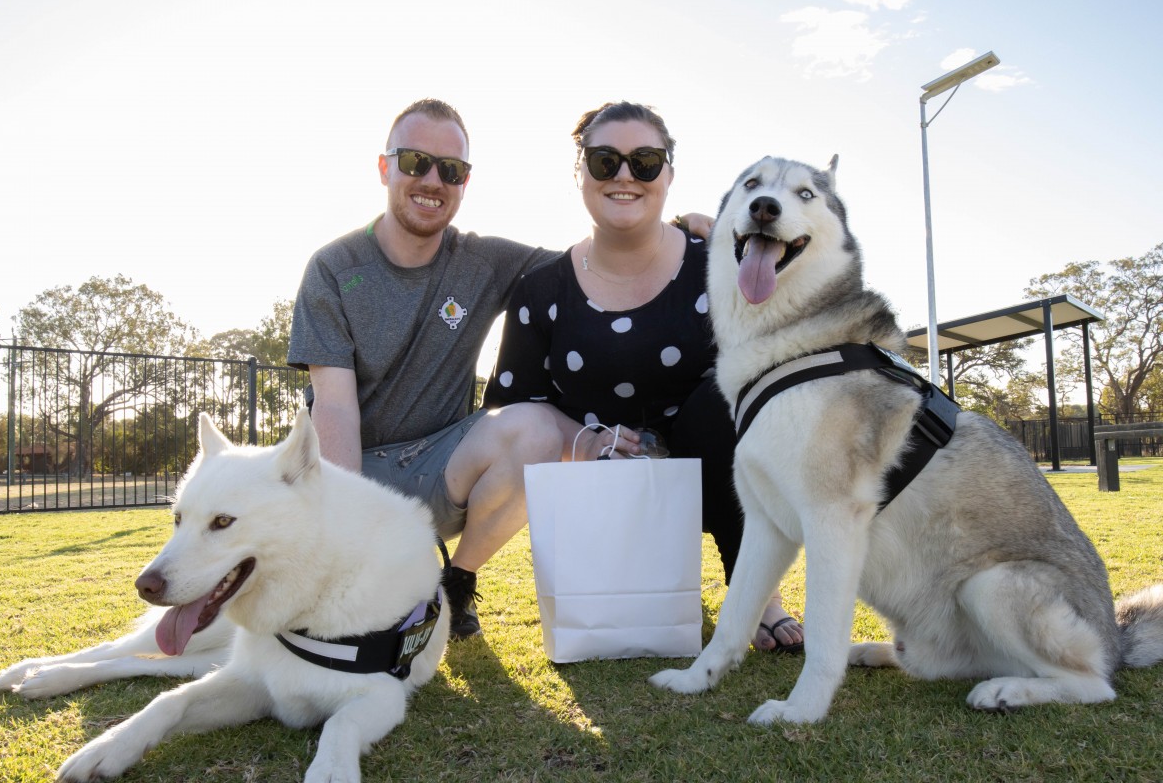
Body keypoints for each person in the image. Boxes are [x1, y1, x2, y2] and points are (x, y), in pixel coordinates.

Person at [483, 102, 804, 652]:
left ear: (668, 174)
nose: (626, 175)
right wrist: (586, 441)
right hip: (604, 484)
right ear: (580, 172)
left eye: (646, 161)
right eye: (605, 161)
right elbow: (514, 409)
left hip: (714, 474)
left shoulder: (720, 264)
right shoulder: (541, 291)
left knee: (732, 391)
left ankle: (757, 594)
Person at [287, 99, 563, 640]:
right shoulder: (334, 267)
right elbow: (335, 408)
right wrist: (346, 526)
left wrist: (676, 233)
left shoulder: (484, 261)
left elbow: (590, 265)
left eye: (451, 169)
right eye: (416, 161)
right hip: (353, 476)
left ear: (465, 182)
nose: (433, 180)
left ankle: (456, 582)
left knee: (536, 430)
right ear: (385, 167)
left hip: (439, 469)